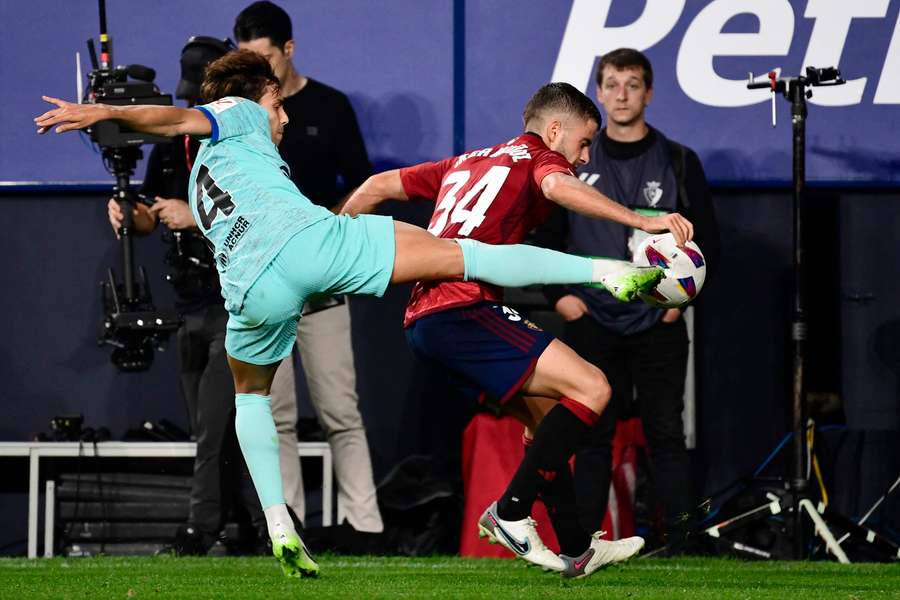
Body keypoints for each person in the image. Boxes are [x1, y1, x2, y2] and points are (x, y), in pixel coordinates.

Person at [35, 50, 678, 577]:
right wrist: (107, 113)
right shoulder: (239, 110)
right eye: (279, 104)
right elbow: (175, 118)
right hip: (315, 247)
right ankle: (611, 274)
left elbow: (198, 162)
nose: (283, 115)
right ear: (259, 95)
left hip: (248, 289)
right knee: (470, 258)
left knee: (251, 399)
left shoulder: (207, 172)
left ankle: (281, 525)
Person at [341, 82, 694, 577]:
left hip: (425, 319)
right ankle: (510, 511)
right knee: (594, 387)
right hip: (463, 309)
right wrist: (640, 221)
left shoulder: (465, 161)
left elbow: (376, 187)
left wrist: (328, 254)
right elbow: (555, 186)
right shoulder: (536, 157)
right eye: (583, 142)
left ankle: (577, 548)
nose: (585, 155)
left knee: (546, 418)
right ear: (554, 130)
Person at [537, 48, 720, 553]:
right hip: (592, 317)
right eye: (612, 84)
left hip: (657, 321)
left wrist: (679, 302)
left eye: (632, 84)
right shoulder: (572, 162)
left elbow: (711, 246)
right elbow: (544, 234)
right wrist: (561, 297)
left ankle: (682, 544)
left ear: (649, 93)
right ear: (597, 92)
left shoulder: (678, 161)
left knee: (666, 435)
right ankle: (584, 545)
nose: (621, 95)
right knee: (591, 435)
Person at [106, 35, 266, 555]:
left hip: (234, 303)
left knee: (215, 428)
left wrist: (194, 217)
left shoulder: (247, 149)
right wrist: (136, 217)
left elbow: (261, 217)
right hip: (190, 304)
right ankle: (257, 530)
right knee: (214, 427)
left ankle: (200, 529)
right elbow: (153, 216)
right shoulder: (175, 151)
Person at [233, 1, 383, 539]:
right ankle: (288, 528)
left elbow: (364, 184)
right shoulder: (238, 117)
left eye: (266, 57)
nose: (258, 71)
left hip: (322, 283)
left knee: (341, 409)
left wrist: (329, 235)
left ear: (288, 50)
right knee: (276, 417)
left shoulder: (329, 106)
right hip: (267, 285)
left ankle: (367, 528)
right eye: (247, 60)